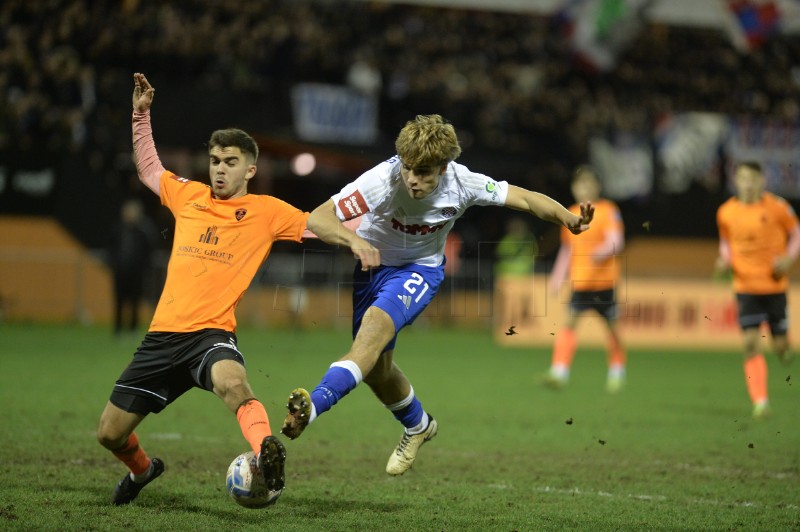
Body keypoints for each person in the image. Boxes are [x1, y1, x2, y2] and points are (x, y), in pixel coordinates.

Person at [95, 73, 363, 506]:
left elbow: (316, 225)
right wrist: (140, 113)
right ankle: (142, 470)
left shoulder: (267, 211)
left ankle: (265, 453)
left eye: (231, 161)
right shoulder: (189, 196)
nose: (220, 168)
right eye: (216, 160)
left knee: (235, 386)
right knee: (109, 433)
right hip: (162, 338)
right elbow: (149, 168)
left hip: (210, 335)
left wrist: (357, 239)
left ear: (250, 169)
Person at [280, 114, 593, 476]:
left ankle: (311, 407)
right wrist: (354, 240)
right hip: (371, 270)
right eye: (409, 169)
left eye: (424, 172)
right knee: (376, 371)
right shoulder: (381, 180)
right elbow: (318, 218)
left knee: (368, 340)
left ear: (444, 167)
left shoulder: (464, 183)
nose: (413, 179)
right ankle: (419, 426)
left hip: (419, 271)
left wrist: (568, 220)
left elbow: (523, 199)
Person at [715, 160, 799, 420]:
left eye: (753, 179)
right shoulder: (726, 212)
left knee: (781, 347)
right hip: (745, 286)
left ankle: (786, 349)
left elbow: (797, 234)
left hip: (774, 285)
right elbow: (726, 242)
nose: (748, 184)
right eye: (743, 178)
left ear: (762, 181)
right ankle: (760, 401)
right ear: (736, 181)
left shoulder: (778, 207)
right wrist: (724, 259)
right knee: (751, 344)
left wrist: (789, 259)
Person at [541, 166, 626, 393]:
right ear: (573, 188)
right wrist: (558, 277)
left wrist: (602, 251)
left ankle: (617, 370)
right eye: (580, 185)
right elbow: (567, 250)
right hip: (580, 283)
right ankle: (559, 371)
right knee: (569, 324)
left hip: (604, 283)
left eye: (589, 184)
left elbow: (617, 240)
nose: (584, 189)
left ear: (597, 187)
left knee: (612, 328)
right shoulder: (570, 212)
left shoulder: (608, 210)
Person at [108, 197, 157, 337]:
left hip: (137, 273)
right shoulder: (117, 229)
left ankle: (133, 328)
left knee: (135, 300)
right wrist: (114, 263)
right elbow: (111, 247)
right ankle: (117, 329)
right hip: (120, 272)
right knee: (119, 300)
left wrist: (145, 266)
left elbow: (150, 249)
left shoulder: (143, 230)